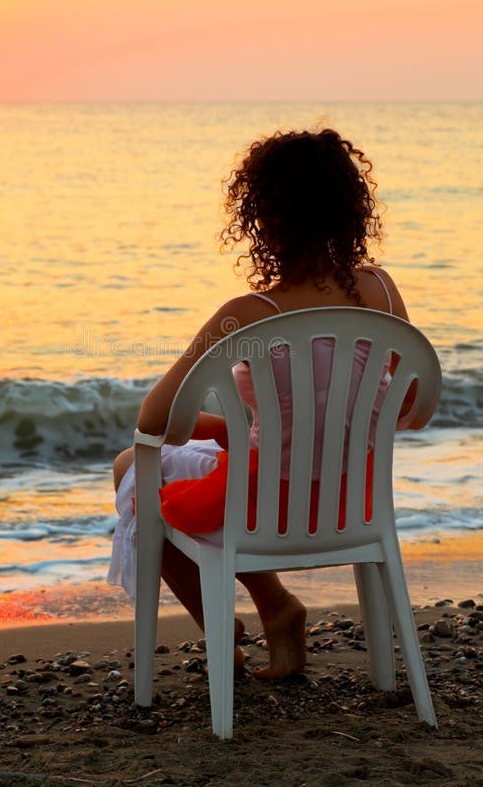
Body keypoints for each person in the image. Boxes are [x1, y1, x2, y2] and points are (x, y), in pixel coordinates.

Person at [108, 127, 422, 680]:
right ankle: (277, 612)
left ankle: (233, 630)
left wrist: (225, 426)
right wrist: (254, 429)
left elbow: (155, 421)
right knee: (234, 463)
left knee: (134, 468)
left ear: (262, 217)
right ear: (350, 209)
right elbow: (409, 406)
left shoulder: (248, 313)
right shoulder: (382, 291)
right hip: (357, 504)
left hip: (264, 508)